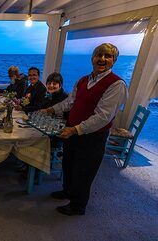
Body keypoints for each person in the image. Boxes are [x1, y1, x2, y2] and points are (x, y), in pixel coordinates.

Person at [42, 43, 128, 216]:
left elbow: (103, 116)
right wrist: (51, 109)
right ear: (92, 58)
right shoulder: (83, 80)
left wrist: (75, 129)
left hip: (92, 136)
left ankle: (78, 206)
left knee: (84, 171)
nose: (102, 59)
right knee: (69, 164)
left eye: (107, 56)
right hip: (72, 131)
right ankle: (67, 191)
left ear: (114, 61)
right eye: (99, 55)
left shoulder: (116, 84)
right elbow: (70, 102)